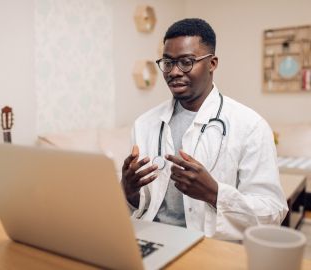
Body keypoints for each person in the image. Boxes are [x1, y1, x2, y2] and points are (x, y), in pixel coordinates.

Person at [121, 18, 288, 241]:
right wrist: (128, 191)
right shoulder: (144, 124)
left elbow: (272, 213)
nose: (174, 72)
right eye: (168, 62)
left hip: (210, 246)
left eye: (186, 62)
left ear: (212, 63)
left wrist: (214, 193)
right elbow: (138, 207)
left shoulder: (251, 126)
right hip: (151, 238)